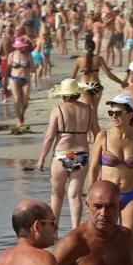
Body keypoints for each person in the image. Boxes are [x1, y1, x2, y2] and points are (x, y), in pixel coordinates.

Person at [35, 79, 99, 229]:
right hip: (81, 154)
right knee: (75, 195)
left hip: (62, 154)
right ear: (77, 93)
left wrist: (41, 158)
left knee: (57, 195)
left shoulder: (58, 110)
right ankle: (75, 229)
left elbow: (50, 137)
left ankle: (53, 231)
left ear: (63, 95)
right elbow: (97, 134)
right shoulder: (89, 110)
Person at [90, 95, 133, 233]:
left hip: (132, 194)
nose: (113, 116)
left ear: (130, 114)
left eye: (118, 113)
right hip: (106, 197)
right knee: (105, 238)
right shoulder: (103, 136)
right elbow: (94, 168)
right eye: (111, 113)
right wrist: (90, 196)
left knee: (127, 237)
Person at [71, 36, 124, 113]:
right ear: (94, 48)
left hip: (84, 87)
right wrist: (121, 82)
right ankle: (96, 125)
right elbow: (109, 75)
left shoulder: (79, 60)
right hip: (96, 86)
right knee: (94, 112)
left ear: (85, 47)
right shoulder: (99, 58)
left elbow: (72, 77)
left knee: (88, 112)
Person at [4, 36, 34, 128]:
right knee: (17, 99)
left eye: (23, 46)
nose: (22, 48)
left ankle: (22, 114)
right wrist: (4, 82)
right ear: (16, 46)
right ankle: (18, 119)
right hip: (14, 79)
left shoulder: (29, 55)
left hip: (26, 79)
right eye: (20, 46)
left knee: (25, 102)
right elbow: (8, 69)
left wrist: (35, 77)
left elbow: (33, 68)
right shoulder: (12, 55)